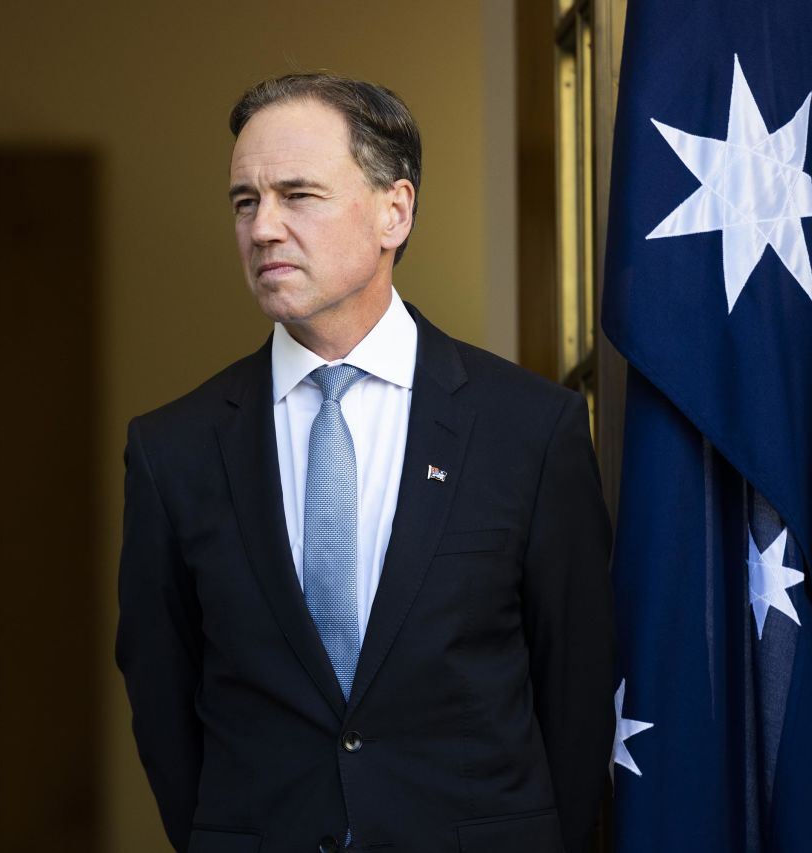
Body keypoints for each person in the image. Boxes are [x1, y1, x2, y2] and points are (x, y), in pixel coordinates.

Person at [116, 73, 614, 853]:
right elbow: (163, 700)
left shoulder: (529, 430)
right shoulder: (171, 450)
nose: (264, 228)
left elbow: (577, 694)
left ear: (395, 210)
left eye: (298, 194)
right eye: (245, 201)